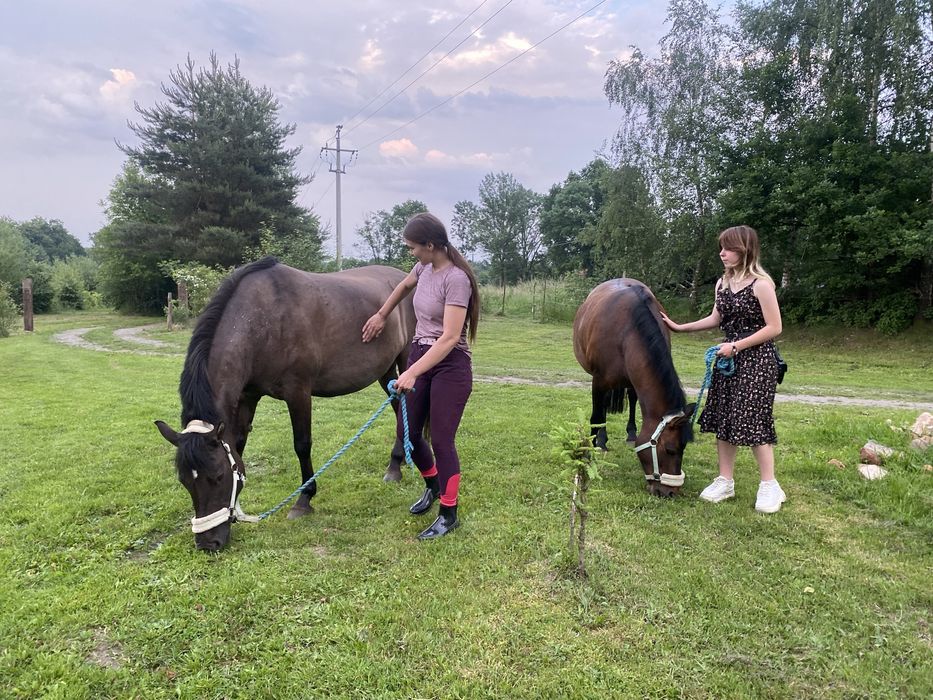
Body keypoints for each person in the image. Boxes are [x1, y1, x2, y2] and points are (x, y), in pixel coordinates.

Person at [362, 212, 480, 539]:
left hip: (450, 364)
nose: (411, 252)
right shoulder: (423, 268)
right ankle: (433, 484)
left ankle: (449, 513)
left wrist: (411, 371)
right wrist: (381, 315)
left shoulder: (456, 279)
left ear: (430, 245)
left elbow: (450, 337)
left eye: (413, 246)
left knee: (441, 440)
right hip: (419, 353)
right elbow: (403, 286)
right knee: (409, 434)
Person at [661, 225, 786, 513]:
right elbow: (715, 318)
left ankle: (770, 485)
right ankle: (725, 481)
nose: (722, 253)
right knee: (724, 418)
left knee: (753, 420)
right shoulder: (723, 283)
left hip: (757, 361)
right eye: (721, 247)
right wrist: (680, 327)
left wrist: (737, 346)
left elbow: (774, 327)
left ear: (745, 250)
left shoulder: (761, 284)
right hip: (728, 360)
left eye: (729, 248)